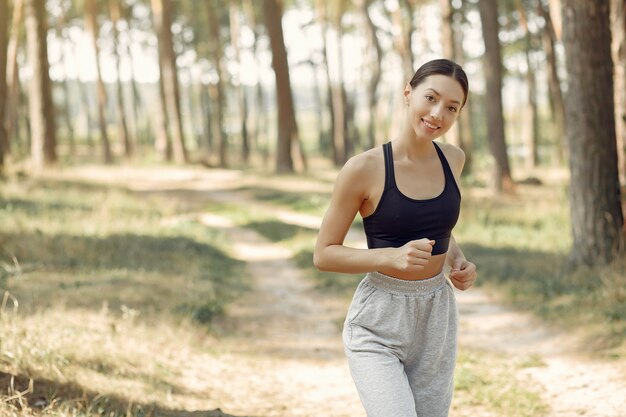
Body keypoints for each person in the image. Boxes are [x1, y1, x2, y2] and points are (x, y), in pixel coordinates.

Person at [313, 58, 477, 417]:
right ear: (408, 93)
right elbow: (323, 254)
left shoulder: (453, 159)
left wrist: (457, 260)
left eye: (452, 107)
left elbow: (438, 225)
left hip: (437, 315)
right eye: (430, 98)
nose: (438, 114)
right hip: (379, 320)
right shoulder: (364, 168)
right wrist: (388, 257)